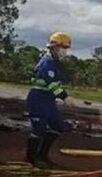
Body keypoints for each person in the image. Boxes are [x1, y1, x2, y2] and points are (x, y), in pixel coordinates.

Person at [25, 32, 72, 167]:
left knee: (57, 125)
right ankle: (30, 160)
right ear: (54, 48)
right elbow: (53, 84)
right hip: (38, 100)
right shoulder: (47, 62)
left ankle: (42, 155)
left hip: (48, 101)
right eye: (63, 48)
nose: (65, 52)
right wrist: (65, 97)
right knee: (38, 129)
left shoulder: (55, 62)